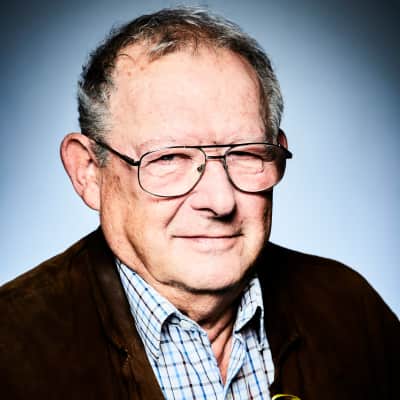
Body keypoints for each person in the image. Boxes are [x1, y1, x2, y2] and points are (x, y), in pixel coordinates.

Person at [0, 7, 398, 400]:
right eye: (169, 158)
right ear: (89, 171)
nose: (220, 201)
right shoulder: (12, 348)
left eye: (246, 153)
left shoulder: (349, 308)